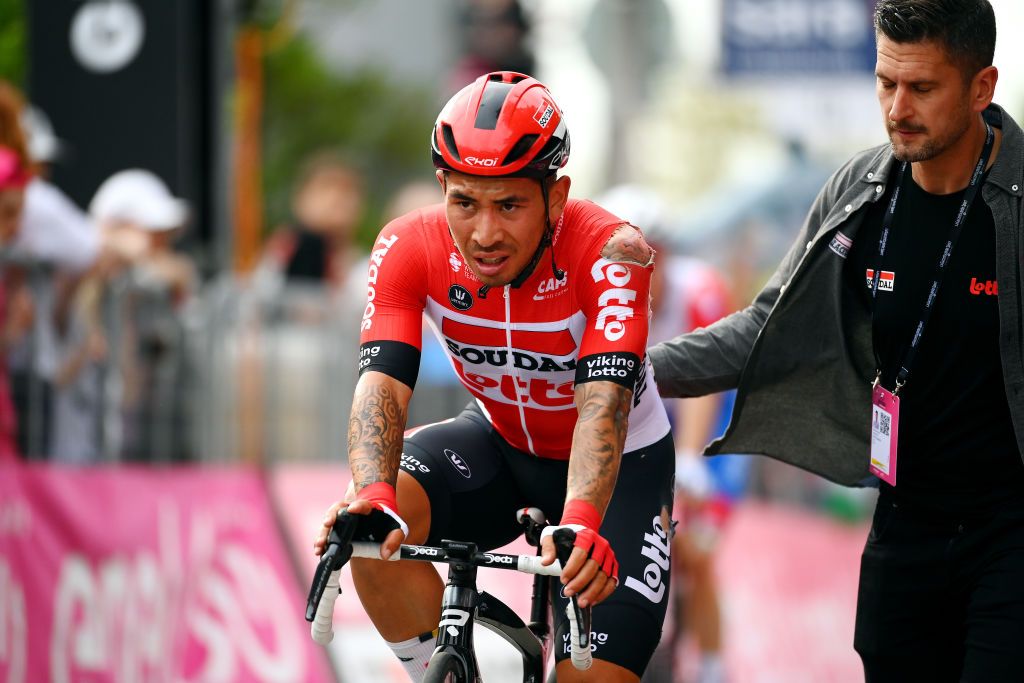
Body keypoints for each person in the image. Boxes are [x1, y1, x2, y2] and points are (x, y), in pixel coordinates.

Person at [647, 1, 1024, 680]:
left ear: (981, 88)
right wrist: (628, 371)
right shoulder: (862, 189)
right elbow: (766, 328)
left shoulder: (1018, 204)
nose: (897, 107)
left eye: (923, 88)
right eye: (885, 83)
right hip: (903, 523)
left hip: (1012, 533)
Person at [314, 71, 674, 682]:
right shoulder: (408, 245)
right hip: (499, 442)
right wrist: (371, 488)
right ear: (442, 187)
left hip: (620, 470)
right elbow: (381, 384)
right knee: (372, 528)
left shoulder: (613, 251)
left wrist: (584, 520)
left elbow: (603, 406)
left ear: (556, 198)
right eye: (465, 202)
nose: (484, 234)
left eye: (509, 204)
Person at [600, 185, 734, 683]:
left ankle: (714, 670)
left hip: (707, 420)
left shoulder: (699, 289)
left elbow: (706, 387)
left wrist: (692, 458)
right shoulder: (596, 298)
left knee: (696, 552)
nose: (639, 274)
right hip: (639, 423)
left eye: (651, 257)